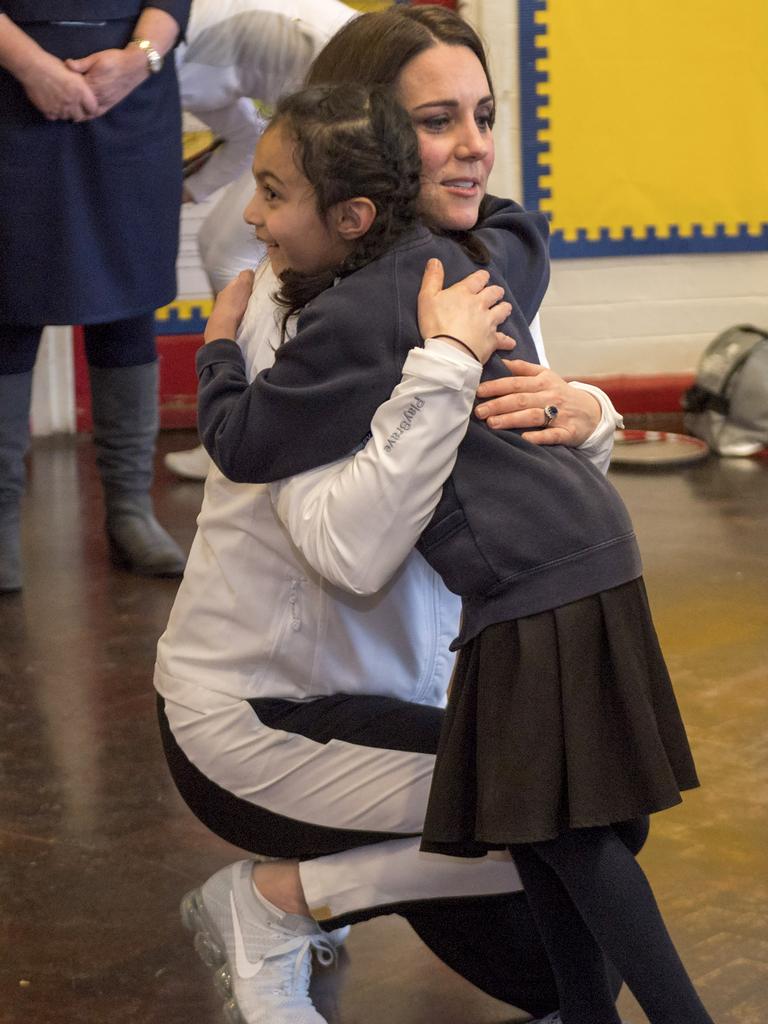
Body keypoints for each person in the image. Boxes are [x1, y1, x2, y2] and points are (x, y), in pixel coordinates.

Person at [195, 79, 711, 1024]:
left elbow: (241, 442)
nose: (251, 213)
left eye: (271, 193)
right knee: (552, 827)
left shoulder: (351, 317)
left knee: (576, 833)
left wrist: (220, 347)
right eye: (438, 128)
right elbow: (517, 224)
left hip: (527, 587)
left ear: (351, 214)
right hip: (593, 550)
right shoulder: (470, 258)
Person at [0, 1, 190, 592]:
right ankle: (1, 520)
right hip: (9, 84)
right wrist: (32, 66)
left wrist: (139, 61)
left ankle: (131, 511)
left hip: (130, 92)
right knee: (5, 301)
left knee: (129, 302)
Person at [163, 0, 355, 481]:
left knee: (233, 252)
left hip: (347, 67)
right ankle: (244, 421)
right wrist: (183, 191)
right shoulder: (177, 66)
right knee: (219, 246)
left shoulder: (151, 53)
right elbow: (246, 135)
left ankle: (252, 425)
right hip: (327, 76)